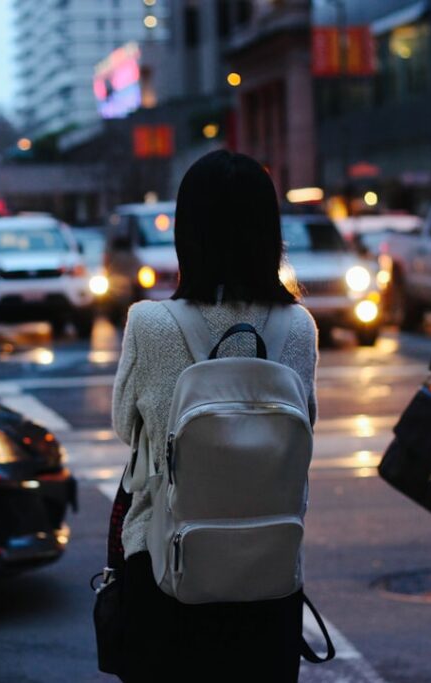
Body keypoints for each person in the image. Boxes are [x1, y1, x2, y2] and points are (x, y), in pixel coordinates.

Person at [111, 151, 318, 682]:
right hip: (270, 575)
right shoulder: (298, 328)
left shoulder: (148, 323)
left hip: (165, 572)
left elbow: (124, 427)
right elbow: (304, 430)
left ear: (187, 232)